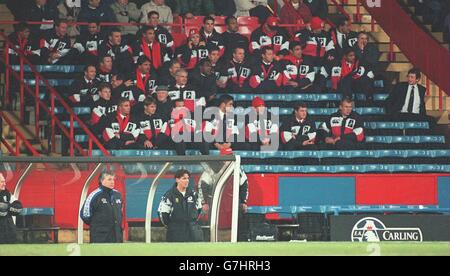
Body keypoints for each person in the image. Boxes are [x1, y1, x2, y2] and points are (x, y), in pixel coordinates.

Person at [158, 169, 203, 242]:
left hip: (193, 232)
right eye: (184, 178)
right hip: (176, 232)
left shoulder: (194, 194)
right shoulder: (169, 195)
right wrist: (172, 226)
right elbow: (163, 215)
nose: (187, 180)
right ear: (177, 180)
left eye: (188, 178)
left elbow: (199, 210)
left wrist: (192, 223)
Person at [80, 170, 123, 243]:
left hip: (117, 237)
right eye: (109, 179)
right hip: (100, 237)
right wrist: (99, 226)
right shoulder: (95, 195)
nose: (112, 181)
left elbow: (120, 213)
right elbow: (85, 215)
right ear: (101, 180)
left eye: (113, 179)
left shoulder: (118, 195)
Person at [0, 173, 23, 244]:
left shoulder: (7, 194)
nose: (4, 184)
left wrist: (7, 207)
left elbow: (19, 208)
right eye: (1, 182)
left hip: (9, 233)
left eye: (4, 181)